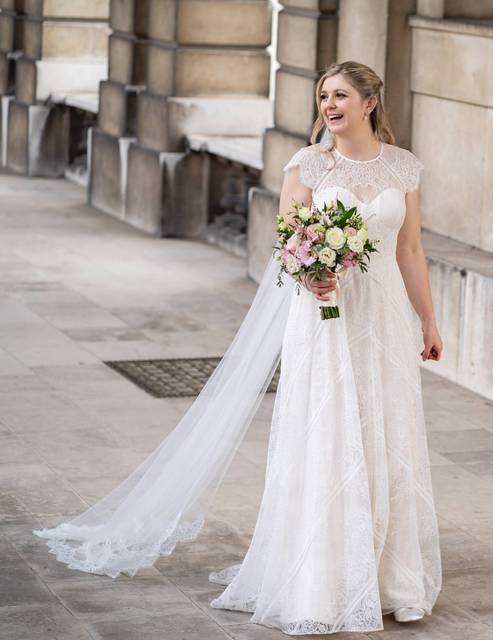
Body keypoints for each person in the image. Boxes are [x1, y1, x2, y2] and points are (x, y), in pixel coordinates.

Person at [33, 60, 443, 635]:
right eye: (324, 96)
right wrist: (313, 276)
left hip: (383, 317)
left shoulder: (402, 168)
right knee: (328, 433)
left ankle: (387, 577)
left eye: (341, 95)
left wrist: (428, 319)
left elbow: (412, 251)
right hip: (324, 318)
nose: (329, 105)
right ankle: (323, 577)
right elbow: (288, 243)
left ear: (370, 103)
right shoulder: (308, 165)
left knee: (385, 430)